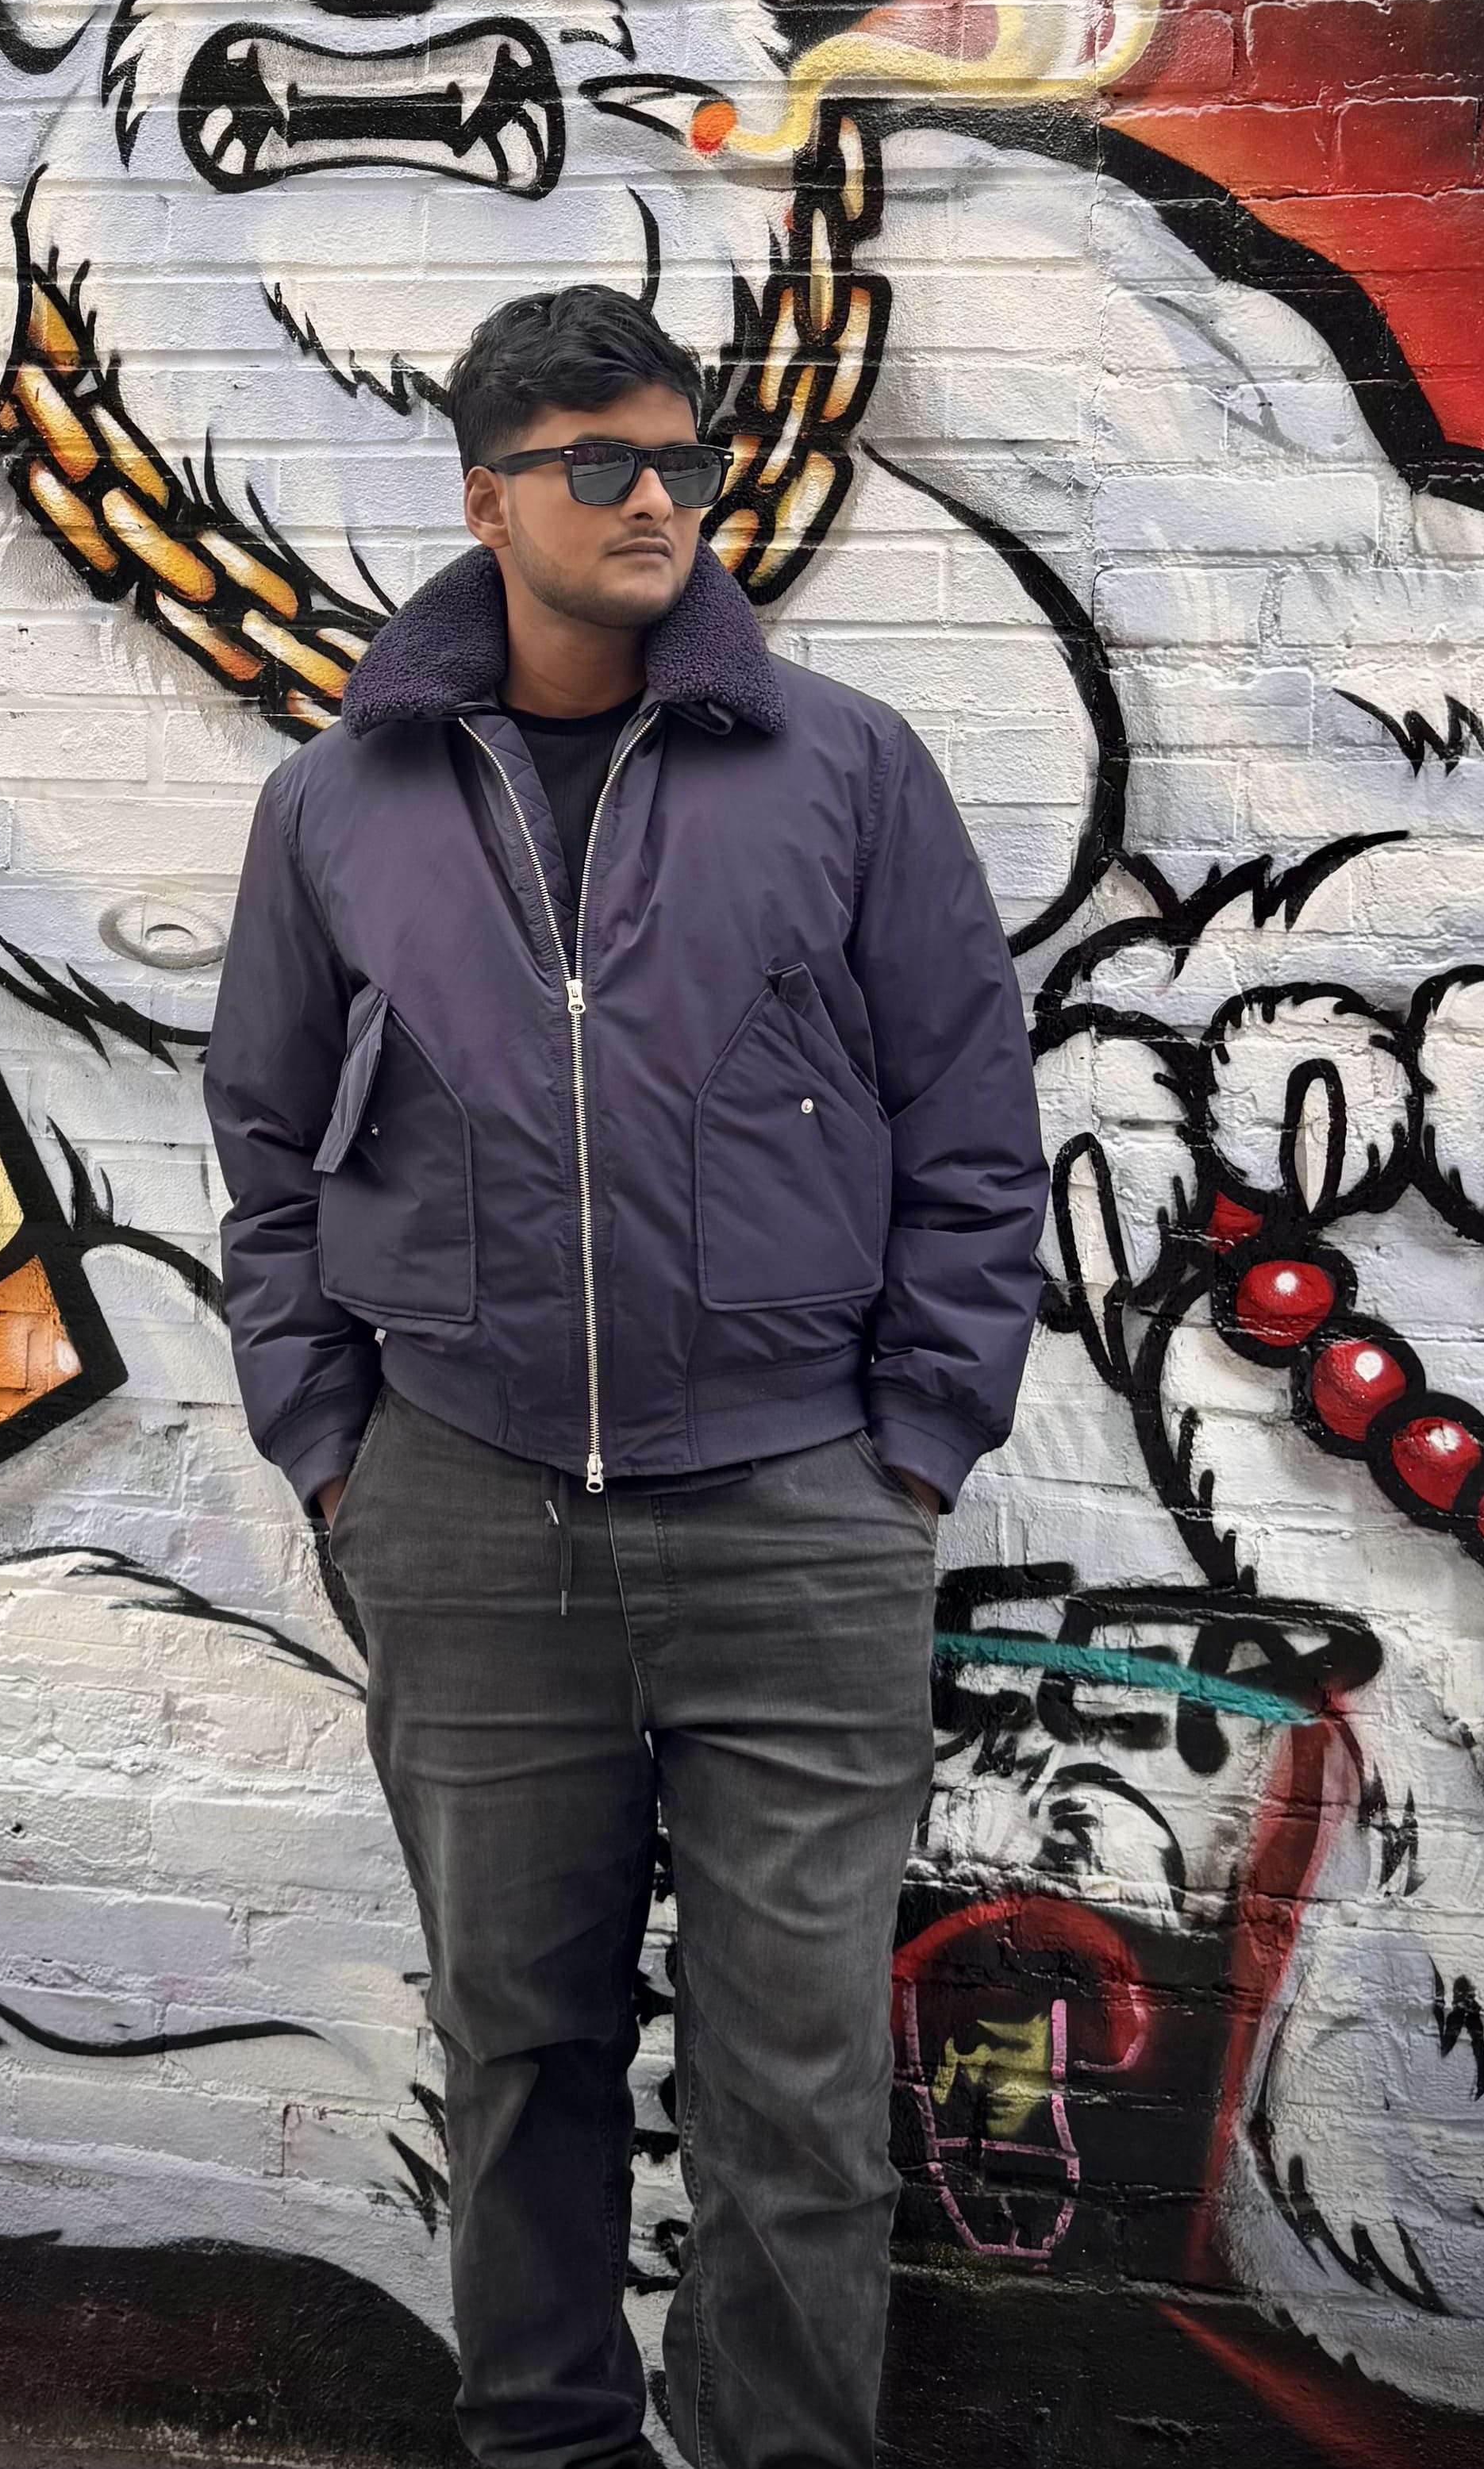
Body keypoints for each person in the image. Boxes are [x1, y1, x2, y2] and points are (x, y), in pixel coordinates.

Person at [204, 282, 1048, 2469]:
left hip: (798, 1521)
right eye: (599, 462)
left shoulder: (842, 766)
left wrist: (913, 1446)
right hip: (470, 1519)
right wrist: (334, 1452)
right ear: (487, 499)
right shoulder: (340, 801)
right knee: (520, 2064)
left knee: (801, 2103)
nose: (655, 496)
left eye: (680, 455)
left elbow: (972, 1120)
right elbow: (265, 1144)